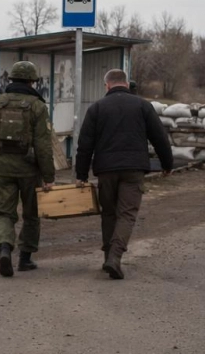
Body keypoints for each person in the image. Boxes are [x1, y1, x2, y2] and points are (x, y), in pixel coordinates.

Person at [74, 69, 173, 280]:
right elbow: (160, 138)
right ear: (126, 84)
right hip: (134, 169)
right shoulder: (143, 106)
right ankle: (115, 257)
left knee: (109, 214)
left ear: (107, 85)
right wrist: (167, 164)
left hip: (106, 170)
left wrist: (81, 175)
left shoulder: (97, 108)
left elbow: (84, 145)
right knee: (126, 214)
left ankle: (108, 257)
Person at [0, 60, 56, 277]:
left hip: (3, 167)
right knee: (31, 214)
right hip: (29, 170)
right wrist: (48, 176)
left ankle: (5, 248)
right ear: (32, 81)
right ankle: (25, 259)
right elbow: (44, 145)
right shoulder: (37, 106)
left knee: (4, 212)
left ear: (12, 79)